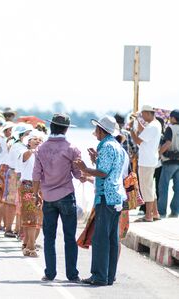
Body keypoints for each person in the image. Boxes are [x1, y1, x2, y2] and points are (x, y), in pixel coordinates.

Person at [74, 115, 126, 286]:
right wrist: (96, 160)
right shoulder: (116, 146)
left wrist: (85, 168)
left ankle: (99, 276)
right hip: (116, 196)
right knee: (111, 238)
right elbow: (108, 169)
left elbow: (103, 173)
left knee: (100, 238)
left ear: (101, 130)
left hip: (106, 196)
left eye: (96, 129)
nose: (94, 133)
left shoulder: (106, 147)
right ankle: (108, 276)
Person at [32, 113, 82, 283]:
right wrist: (88, 176)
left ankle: (50, 272)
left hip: (48, 197)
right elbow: (77, 174)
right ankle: (72, 274)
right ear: (66, 129)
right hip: (67, 195)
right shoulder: (72, 148)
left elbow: (36, 175)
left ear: (51, 127)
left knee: (49, 237)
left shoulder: (40, 148)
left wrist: (35, 195)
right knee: (69, 236)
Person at [129, 105, 162, 222]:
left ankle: (148, 215)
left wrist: (131, 130)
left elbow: (137, 140)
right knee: (150, 188)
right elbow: (143, 131)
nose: (142, 116)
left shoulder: (152, 127)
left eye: (142, 114)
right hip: (151, 160)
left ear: (148, 113)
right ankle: (155, 213)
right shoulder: (156, 124)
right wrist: (137, 121)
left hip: (146, 161)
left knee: (146, 188)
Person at [3, 123, 32, 238]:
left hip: (17, 174)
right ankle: (9, 229)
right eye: (27, 134)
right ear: (21, 135)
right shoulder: (18, 146)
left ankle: (17, 229)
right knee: (12, 203)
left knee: (18, 203)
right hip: (15, 174)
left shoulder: (18, 145)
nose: (29, 136)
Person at [19, 130, 45, 257]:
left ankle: (28, 244)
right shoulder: (24, 153)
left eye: (40, 139)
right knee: (30, 217)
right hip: (28, 186)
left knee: (39, 218)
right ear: (28, 142)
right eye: (34, 139)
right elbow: (26, 156)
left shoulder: (43, 154)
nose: (38, 140)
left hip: (41, 187)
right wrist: (34, 150)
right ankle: (31, 247)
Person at [158, 109, 179, 217]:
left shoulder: (170, 128)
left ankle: (161, 212)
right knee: (177, 188)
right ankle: (175, 211)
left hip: (169, 161)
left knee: (163, 187)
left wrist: (158, 153)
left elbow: (168, 143)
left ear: (173, 118)